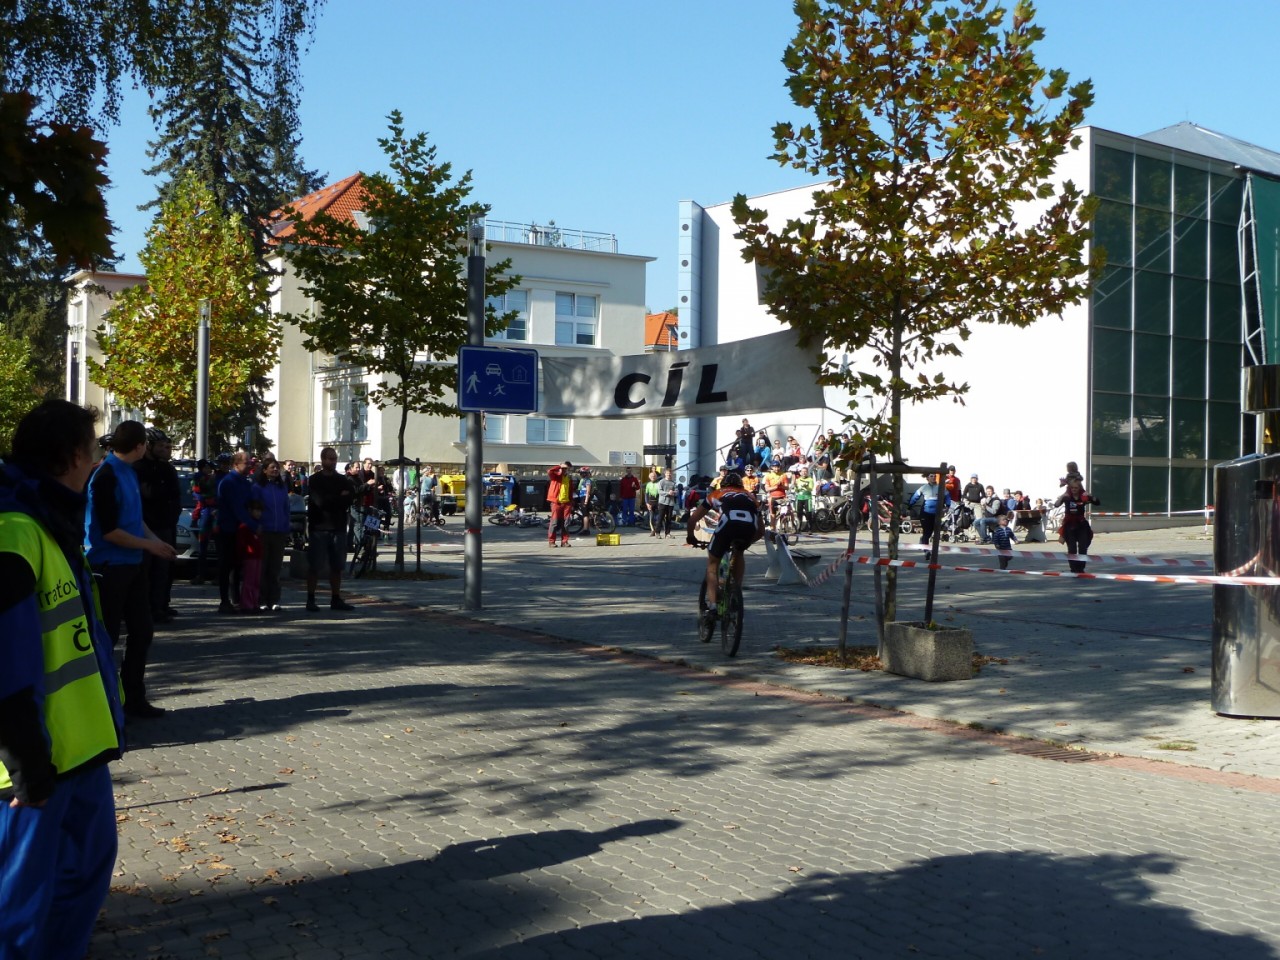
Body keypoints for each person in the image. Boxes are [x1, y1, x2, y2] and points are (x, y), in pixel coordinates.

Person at [0, 399, 125, 960]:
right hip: (34, 766)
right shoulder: (15, 530)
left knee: (83, 877)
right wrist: (27, 764)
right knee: (18, 909)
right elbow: (4, 660)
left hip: (82, 753)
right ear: (74, 455)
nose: (98, 459)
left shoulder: (53, 520)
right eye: (94, 449)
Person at [85, 420, 177, 719]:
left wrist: (155, 542)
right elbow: (110, 531)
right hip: (109, 566)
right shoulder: (105, 475)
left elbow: (135, 519)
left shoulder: (129, 472)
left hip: (133, 564)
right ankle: (104, 704)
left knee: (142, 631)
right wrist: (149, 545)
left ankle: (133, 698)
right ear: (139, 447)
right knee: (108, 636)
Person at [690, 471, 765, 628]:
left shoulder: (716, 494)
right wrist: (746, 543)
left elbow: (693, 519)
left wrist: (691, 537)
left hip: (727, 525)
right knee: (739, 552)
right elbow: (761, 531)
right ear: (741, 485)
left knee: (712, 565)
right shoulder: (751, 497)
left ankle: (713, 607)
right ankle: (735, 592)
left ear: (723, 484)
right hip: (748, 528)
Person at [135, 427, 181, 623]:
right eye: (160, 446)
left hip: (166, 525)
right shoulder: (138, 468)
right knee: (146, 570)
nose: (164, 449)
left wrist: (172, 517)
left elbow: (174, 495)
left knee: (164, 570)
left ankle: (160, 605)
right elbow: (147, 494)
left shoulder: (167, 469)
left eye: (166, 446)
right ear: (149, 446)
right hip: (147, 527)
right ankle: (145, 608)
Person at [305, 447, 357, 611]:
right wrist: (338, 498)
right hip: (319, 528)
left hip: (338, 527)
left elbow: (350, 498)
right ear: (323, 460)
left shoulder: (342, 479)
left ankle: (336, 598)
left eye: (335, 458)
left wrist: (335, 499)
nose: (333, 462)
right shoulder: (314, 480)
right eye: (330, 458)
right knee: (315, 565)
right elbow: (320, 502)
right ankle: (310, 599)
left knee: (337, 566)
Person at [216, 452, 252, 614]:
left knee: (238, 565)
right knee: (226, 565)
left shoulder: (245, 482)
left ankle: (236, 599)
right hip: (227, 528)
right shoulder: (228, 482)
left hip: (240, 530)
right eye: (246, 463)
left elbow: (249, 504)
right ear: (236, 464)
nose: (249, 465)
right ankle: (225, 601)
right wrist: (252, 524)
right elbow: (237, 508)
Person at [253, 456, 291, 612]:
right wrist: (257, 525)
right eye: (272, 467)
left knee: (275, 568)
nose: (275, 470)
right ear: (264, 470)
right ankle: (261, 599)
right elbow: (255, 508)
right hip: (264, 531)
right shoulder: (258, 487)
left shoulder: (282, 487)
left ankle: (274, 600)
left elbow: (286, 508)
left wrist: (286, 525)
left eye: (277, 468)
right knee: (262, 567)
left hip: (279, 532)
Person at [1056, 476, 1099, 573]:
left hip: (1081, 524)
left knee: (1083, 547)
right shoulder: (1067, 497)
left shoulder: (1083, 497)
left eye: (1076, 488)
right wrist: (1062, 496)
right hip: (1069, 525)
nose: (1074, 489)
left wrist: (1090, 495)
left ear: (1079, 488)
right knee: (1072, 548)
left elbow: (1097, 502)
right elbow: (1056, 504)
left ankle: (1081, 568)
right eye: (1072, 488)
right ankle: (1073, 568)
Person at [190, 458, 217, 584]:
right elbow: (197, 494)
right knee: (202, 547)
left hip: (214, 512)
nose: (209, 469)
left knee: (218, 546)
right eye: (207, 467)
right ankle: (201, 575)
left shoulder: (214, 478)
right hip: (206, 512)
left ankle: (218, 576)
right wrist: (207, 499)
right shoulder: (198, 479)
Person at [909, 473, 949, 545]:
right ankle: (925, 548)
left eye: (935, 476)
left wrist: (947, 506)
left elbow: (947, 496)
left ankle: (925, 542)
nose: (933, 477)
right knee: (927, 532)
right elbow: (915, 497)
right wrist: (910, 506)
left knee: (931, 532)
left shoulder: (941, 487)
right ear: (927, 478)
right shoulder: (923, 488)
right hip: (925, 513)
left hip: (936, 514)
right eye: (931, 476)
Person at [546, 461, 575, 547]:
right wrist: (559, 466)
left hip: (567, 503)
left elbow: (570, 490)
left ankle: (564, 541)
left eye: (567, 469)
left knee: (566, 523)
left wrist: (571, 501)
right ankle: (551, 541)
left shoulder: (569, 478)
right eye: (564, 468)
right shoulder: (555, 476)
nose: (566, 470)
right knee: (554, 522)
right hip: (556, 502)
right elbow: (550, 471)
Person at [655, 467, 678, 538]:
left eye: (670, 473)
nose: (669, 474)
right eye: (667, 473)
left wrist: (673, 492)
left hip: (670, 503)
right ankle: (657, 533)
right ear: (665, 474)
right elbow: (660, 491)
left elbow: (677, 491)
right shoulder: (661, 482)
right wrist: (668, 493)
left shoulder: (673, 483)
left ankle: (667, 533)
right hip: (662, 502)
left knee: (669, 519)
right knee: (660, 518)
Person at [576, 467, 594, 538]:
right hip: (582, 497)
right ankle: (587, 529)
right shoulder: (583, 480)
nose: (581, 475)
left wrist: (586, 501)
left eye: (582, 473)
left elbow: (588, 491)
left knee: (585, 515)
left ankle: (585, 530)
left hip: (585, 498)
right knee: (586, 514)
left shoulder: (587, 481)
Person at [644, 469, 661, 536]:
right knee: (651, 517)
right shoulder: (648, 484)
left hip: (658, 502)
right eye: (651, 476)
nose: (653, 477)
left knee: (658, 518)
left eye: (654, 476)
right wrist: (647, 503)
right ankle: (652, 530)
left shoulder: (659, 484)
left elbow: (661, 494)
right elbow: (646, 495)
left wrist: (660, 503)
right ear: (649, 477)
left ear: (656, 477)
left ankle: (657, 530)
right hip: (651, 502)